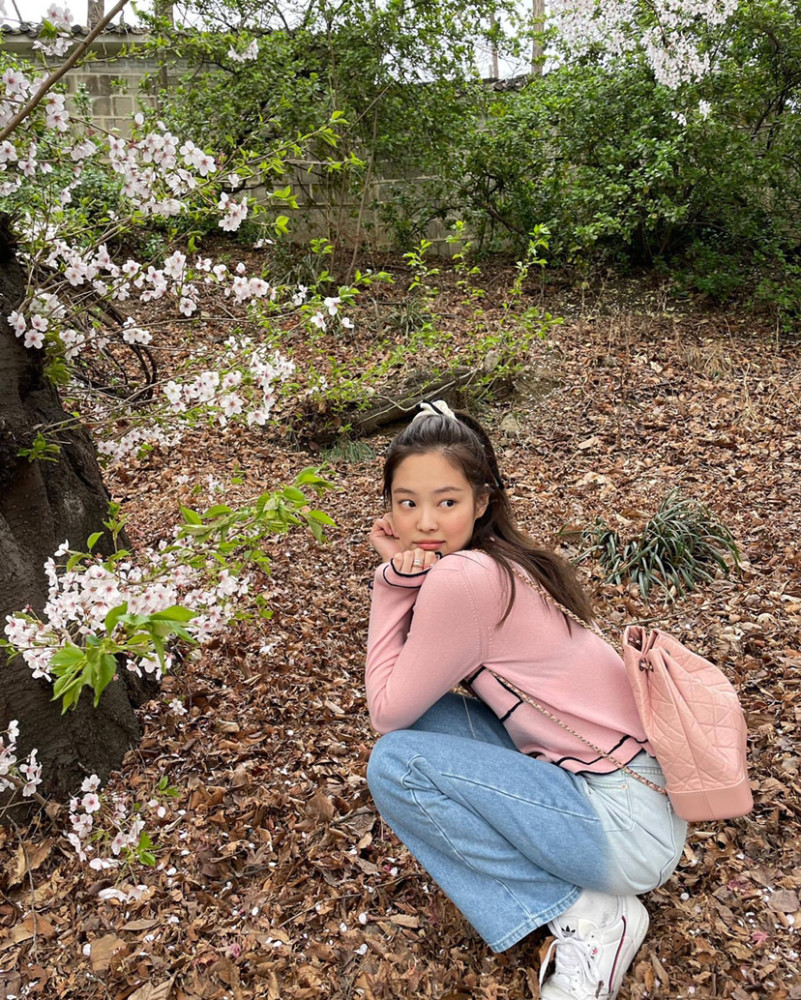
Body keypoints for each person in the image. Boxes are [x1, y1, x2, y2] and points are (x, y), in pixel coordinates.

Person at [364, 400, 687, 1000]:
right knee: (423, 727)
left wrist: (391, 586)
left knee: (396, 762)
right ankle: (584, 898)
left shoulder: (462, 581)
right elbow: (407, 700)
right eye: (407, 503)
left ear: (482, 502)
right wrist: (411, 579)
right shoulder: (495, 561)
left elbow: (383, 706)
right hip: (635, 794)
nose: (425, 521)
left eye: (447, 501)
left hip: (625, 824)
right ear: (388, 507)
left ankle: (591, 914)